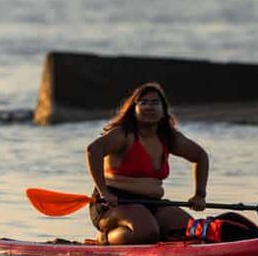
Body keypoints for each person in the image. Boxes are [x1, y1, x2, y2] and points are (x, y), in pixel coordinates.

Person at [85, 82, 209, 245]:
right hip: (112, 204)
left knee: (192, 232)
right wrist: (104, 192)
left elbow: (200, 156)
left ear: (163, 111)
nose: (149, 107)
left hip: (152, 203)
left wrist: (200, 194)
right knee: (147, 232)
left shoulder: (169, 137)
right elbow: (93, 150)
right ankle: (105, 239)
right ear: (134, 109)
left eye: (155, 103)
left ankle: (157, 236)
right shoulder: (123, 134)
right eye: (143, 102)